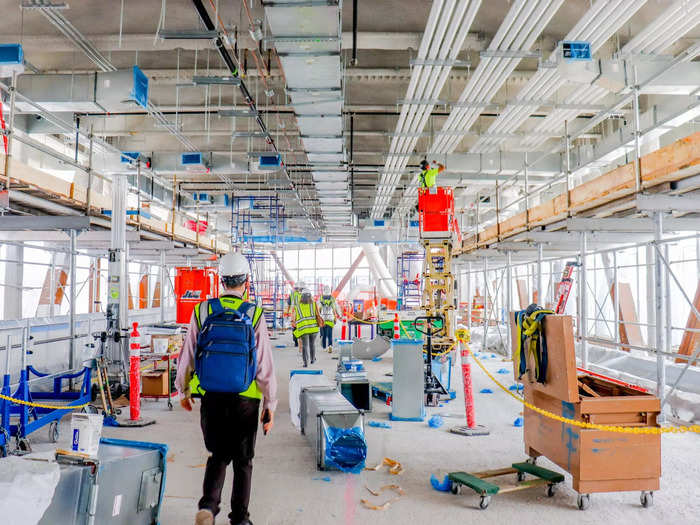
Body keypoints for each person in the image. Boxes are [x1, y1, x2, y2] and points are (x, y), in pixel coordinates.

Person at [175, 252, 278, 525]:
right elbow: (264, 366)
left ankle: (208, 507)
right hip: (246, 398)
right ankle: (240, 519)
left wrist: (183, 390)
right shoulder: (254, 313)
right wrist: (271, 405)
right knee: (244, 462)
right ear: (246, 282)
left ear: (221, 281)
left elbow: (186, 356)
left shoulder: (203, 310)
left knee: (217, 455)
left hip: (212, 396)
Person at [291, 288, 324, 367]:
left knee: (305, 346)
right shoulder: (314, 304)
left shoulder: (297, 306)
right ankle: (312, 359)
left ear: (301, 296)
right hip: (314, 328)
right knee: (312, 344)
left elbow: (293, 319)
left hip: (303, 329)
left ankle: (305, 363)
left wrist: (296, 324)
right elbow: (318, 314)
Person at [318, 286, 340, 353]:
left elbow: (319, 308)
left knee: (324, 335)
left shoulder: (321, 298)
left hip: (323, 318)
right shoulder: (332, 299)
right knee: (330, 334)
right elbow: (336, 308)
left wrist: (318, 317)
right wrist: (339, 315)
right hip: (330, 318)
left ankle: (324, 347)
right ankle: (330, 346)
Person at [285, 281, 305, 347]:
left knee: (294, 327)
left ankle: (296, 341)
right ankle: (299, 340)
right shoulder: (302, 294)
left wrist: (287, 312)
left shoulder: (292, 294)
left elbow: (289, 304)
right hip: (300, 313)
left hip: (293, 313)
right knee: (299, 326)